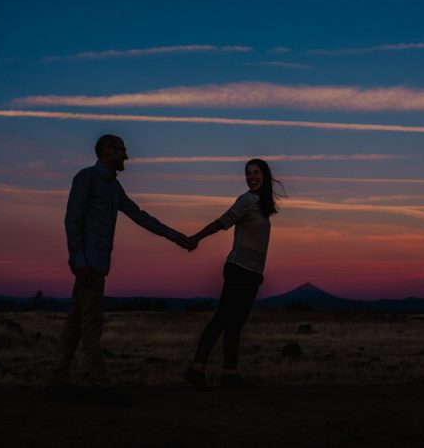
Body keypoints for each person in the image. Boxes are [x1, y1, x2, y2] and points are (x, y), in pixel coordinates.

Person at [49, 134, 191, 385]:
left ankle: (58, 376)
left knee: (76, 321)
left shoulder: (114, 187)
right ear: (107, 150)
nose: (126, 156)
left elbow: (139, 215)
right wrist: (79, 260)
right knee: (92, 322)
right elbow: (72, 221)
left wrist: (175, 236)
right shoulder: (86, 178)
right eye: (122, 150)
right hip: (89, 265)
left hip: (96, 264)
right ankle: (99, 380)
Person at [184, 158, 282, 389]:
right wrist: (197, 238)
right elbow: (222, 222)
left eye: (255, 172)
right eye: (248, 173)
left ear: (265, 175)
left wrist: (258, 271)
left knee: (236, 323)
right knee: (222, 319)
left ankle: (230, 374)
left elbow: (258, 241)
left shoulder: (261, 204)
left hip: (251, 272)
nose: (251, 177)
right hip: (238, 268)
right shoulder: (246, 200)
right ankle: (196, 369)